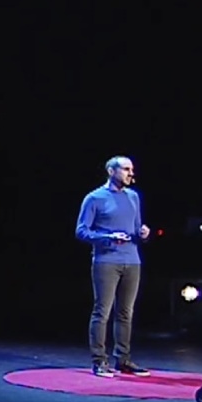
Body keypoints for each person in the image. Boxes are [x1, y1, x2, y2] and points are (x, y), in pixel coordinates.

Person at [75, 156, 152, 377]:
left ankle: (123, 360)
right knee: (103, 311)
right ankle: (99, 361)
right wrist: (108, 237)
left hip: (132, 260)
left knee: (126, 313)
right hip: (106, 261)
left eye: (132, 169)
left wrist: (143, 234)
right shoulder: (95, 198)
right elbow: (81, 231)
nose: (130, 173)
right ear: (111, 171)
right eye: (126, 169)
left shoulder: (133, 197)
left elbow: (135, 230)